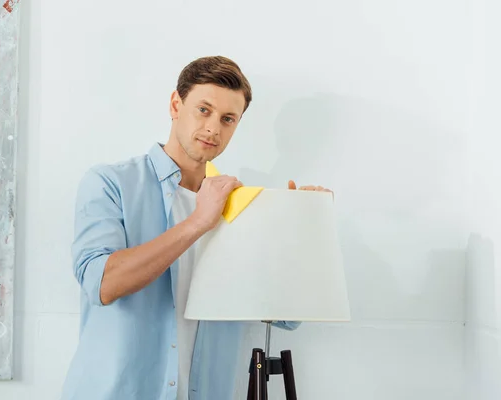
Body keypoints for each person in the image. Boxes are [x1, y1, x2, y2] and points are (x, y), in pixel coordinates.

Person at [60, 56, 333, 400]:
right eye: (203, 110)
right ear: (176, 104)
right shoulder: (109, 183)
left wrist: (303, 230)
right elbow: (102, 284)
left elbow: (284, 317)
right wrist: (198, 223)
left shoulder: (241, 206)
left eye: (227, 119)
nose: (213, 128)